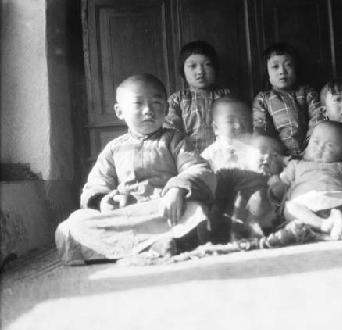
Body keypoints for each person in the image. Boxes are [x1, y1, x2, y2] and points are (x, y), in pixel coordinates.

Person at [55, 74, 216, 264]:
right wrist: (104, 201)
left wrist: (177, 189)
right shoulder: (113, 149)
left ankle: (134, 248)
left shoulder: (176, 141)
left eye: (156, 103)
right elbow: (95, 185)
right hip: (124, 215)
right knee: (74, 223)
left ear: (166, 109)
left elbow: (198, 169)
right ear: (119, 111)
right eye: (138, 104)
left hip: (160, 211)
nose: (148, 111)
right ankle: (152, 246)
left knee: (195, 211)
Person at [270, 121, 342, 240]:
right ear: (307, 143)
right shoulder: (296, 164)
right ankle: (324, 225)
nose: (320, 148)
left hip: (339, 201)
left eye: (329, 146)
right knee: (289, 208)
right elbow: (282, 183)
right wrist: (275, 183)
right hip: (306, 203)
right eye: (316, 142)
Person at [252, 42, 323, 158]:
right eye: (275, 67)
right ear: (267, 73)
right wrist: (276, 154)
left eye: (288, 65)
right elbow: (261, 128)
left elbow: (318, 119)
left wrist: (310, 149)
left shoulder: (307, 92)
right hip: (280, 156)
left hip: (311, 152)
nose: (282, 71)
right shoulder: (263, 99)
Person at [210, 135, 285, 242]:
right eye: (262, 150)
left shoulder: (280, 180)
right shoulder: (235, 174)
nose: (268, 156)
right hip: (229, 224)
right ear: (246, 156)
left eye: (275, 155)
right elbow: (216, 180)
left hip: (267, 227)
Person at [165, 41, 231, 153]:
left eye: (207, 64)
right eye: (192, 66)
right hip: (188, 156)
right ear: (183, 71)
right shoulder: (177, 99)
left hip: (222, 154)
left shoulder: (224, 95)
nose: (200, 71)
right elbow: (170, 130)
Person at [201, 97, 252, 172]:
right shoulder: (210, 155)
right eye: (230, 121)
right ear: (216, 128)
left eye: (244, 119)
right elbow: (199, 173)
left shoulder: (254, 147)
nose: (238, 126)